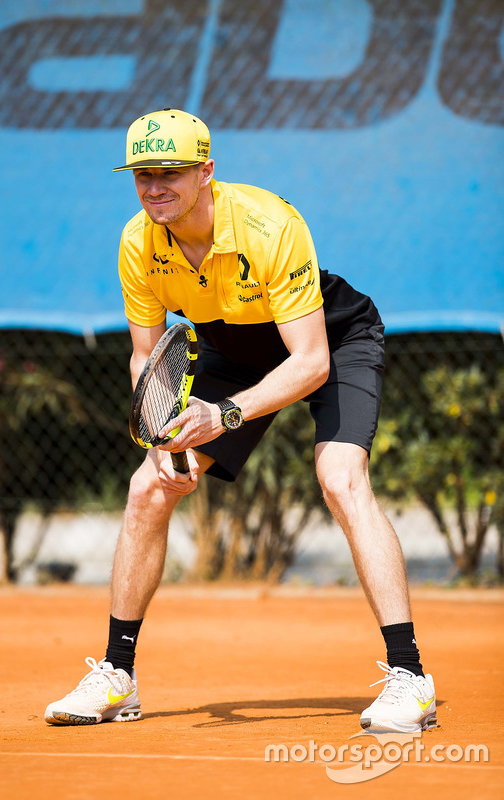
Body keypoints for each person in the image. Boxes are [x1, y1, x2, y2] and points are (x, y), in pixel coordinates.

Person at [45, 108, 436, 733]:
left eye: (170, 172)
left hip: (330, 340)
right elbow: (148, 358)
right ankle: (117, 677)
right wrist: (160, 438)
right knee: (147, 489)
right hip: (230, 344)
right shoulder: (137, 242)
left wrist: (222, 414)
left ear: (206, 172)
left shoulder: (267, 224)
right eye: (142, 174)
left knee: (340, 477)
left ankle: (410, 678)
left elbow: (309, 362)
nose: (154, 187)